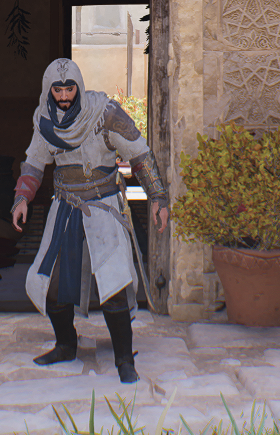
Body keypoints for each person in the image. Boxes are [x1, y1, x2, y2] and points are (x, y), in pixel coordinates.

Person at [11, 58, 170, 384]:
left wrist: (157, 197)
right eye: (58, 89)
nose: (65, 95)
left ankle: (124, 360)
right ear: (49, 90)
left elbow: (139, 153)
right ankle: (66, 344)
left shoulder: (105, 113)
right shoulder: (45, 120)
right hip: (65, 207)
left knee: (113, 283)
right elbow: (34, 163)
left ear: (79, 87)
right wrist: (22, 198)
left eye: (70, 88)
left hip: (104, 208)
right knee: (51, 284)